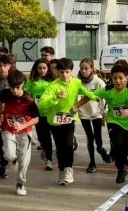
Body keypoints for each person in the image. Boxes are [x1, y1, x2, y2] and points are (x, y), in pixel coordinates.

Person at [38, 58, 96, 186]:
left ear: (71, 72)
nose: (65, 75)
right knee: (60, 147)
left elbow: (87, 92)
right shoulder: (53, 86)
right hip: (55, 121)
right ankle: (62, 170)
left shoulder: (76, 82)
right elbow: (42, 105)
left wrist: (96, 98)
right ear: (57, 72)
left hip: (69, 120)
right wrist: (55, 97)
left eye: (67, 72)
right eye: (62, 72)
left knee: (68, 144)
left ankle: (69, 169)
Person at [0, 70, 40, 196]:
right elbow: (0, 104)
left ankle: (20, 183)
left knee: (24, 161)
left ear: (23, 85)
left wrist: (22, 125)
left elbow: (36, 119)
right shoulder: (5, 93)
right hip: (8, 130)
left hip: (24, 132)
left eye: (18, 88)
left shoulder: (28, 99)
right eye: (12, 88)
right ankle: (13, 160)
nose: (15, 91)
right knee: (9, 155)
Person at [77, 58, 112, 173]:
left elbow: (106, 99)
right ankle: (92, 162)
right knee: (89, 137)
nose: (83, 71)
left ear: (92, 69)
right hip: (83, 114)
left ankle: (101, 150)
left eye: (86, 68)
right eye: (81, 68)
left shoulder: (99, 82)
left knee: (98, 138)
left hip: (97, 113)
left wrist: (104, 113)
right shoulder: (78, 82)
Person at [27, 58, 55, 171]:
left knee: (49, 137)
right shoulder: (31, 81)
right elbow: (25, 93)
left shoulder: (53, 80)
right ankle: (44, 149)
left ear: (48, 69)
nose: (42, 70)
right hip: (38, 113)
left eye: (44, 68)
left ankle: (49, 160)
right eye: (39, 68)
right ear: (36, 69)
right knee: (42, 138)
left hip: (51, 112)